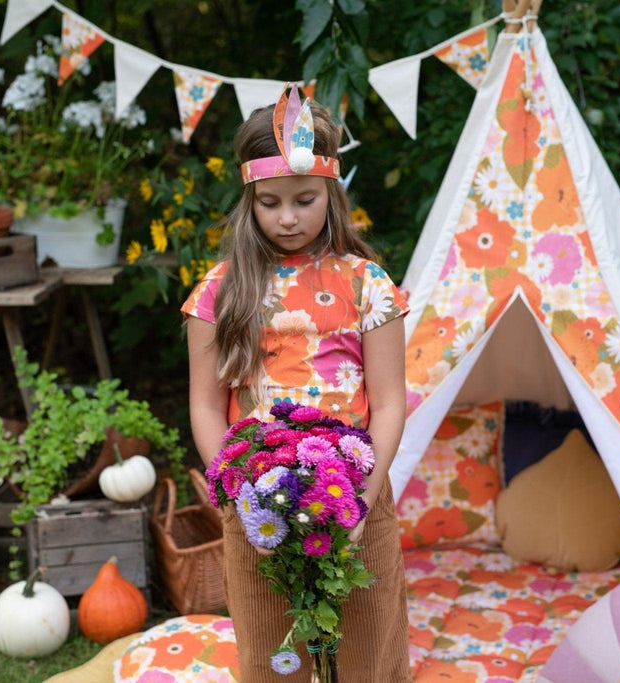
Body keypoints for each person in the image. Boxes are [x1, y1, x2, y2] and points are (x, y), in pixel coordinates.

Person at [182, 85, 411, 682]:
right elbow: (206, 404)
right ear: (249, 201)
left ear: (331, 192)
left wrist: (362, 500)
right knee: (269, 656)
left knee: (366, 649)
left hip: (354, 493)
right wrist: (237, 494)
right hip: (258, 499)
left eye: (305, 199)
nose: (288, 218)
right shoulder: (220, 290)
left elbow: (389, 403)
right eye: (270, 203)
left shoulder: (368, 285)